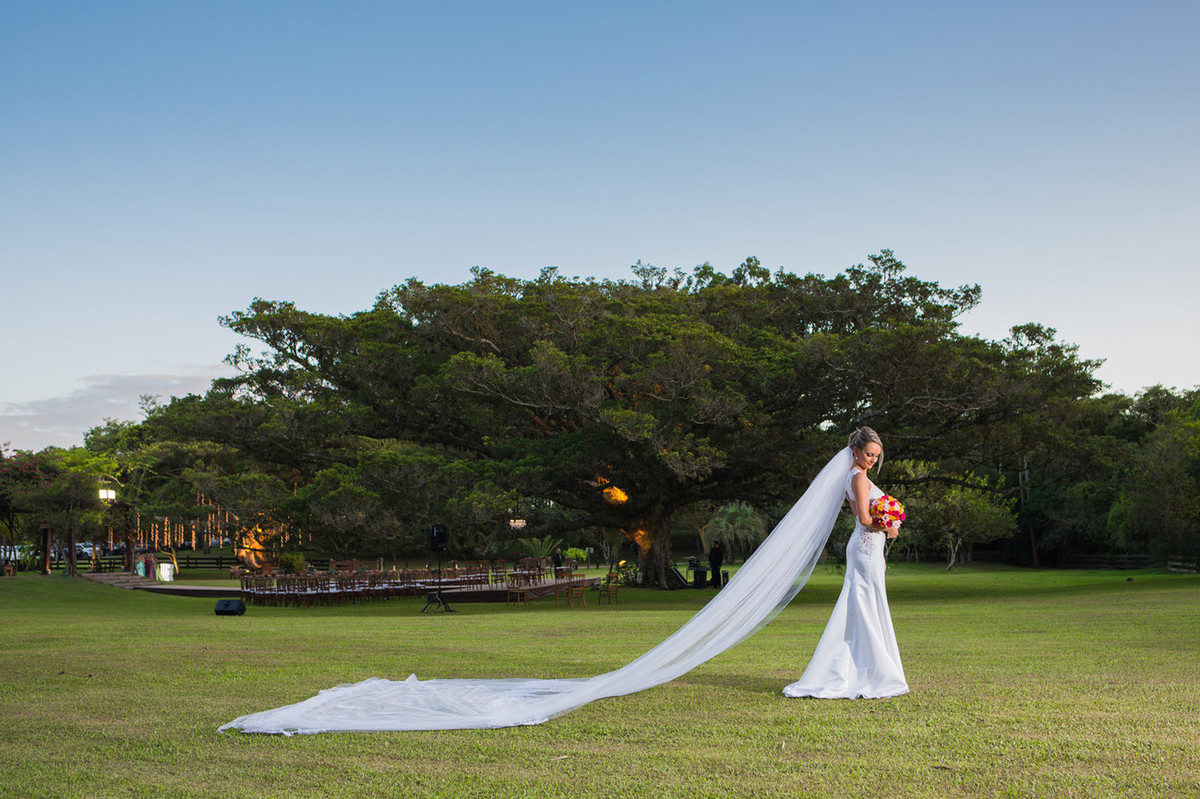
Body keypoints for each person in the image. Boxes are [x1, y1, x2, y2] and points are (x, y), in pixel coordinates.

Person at [783, 426, 909, 699]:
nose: (873, 460)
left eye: (876, 456)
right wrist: (889, 527)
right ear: (855, 451)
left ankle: (856, 669)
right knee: (864, 607)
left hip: (869, 549)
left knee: (863, 607)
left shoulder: (854, 475)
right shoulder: (859, 478)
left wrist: (882, 550)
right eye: (869, 454)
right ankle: (871, 673)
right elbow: (864, 519)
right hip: (865, 545)